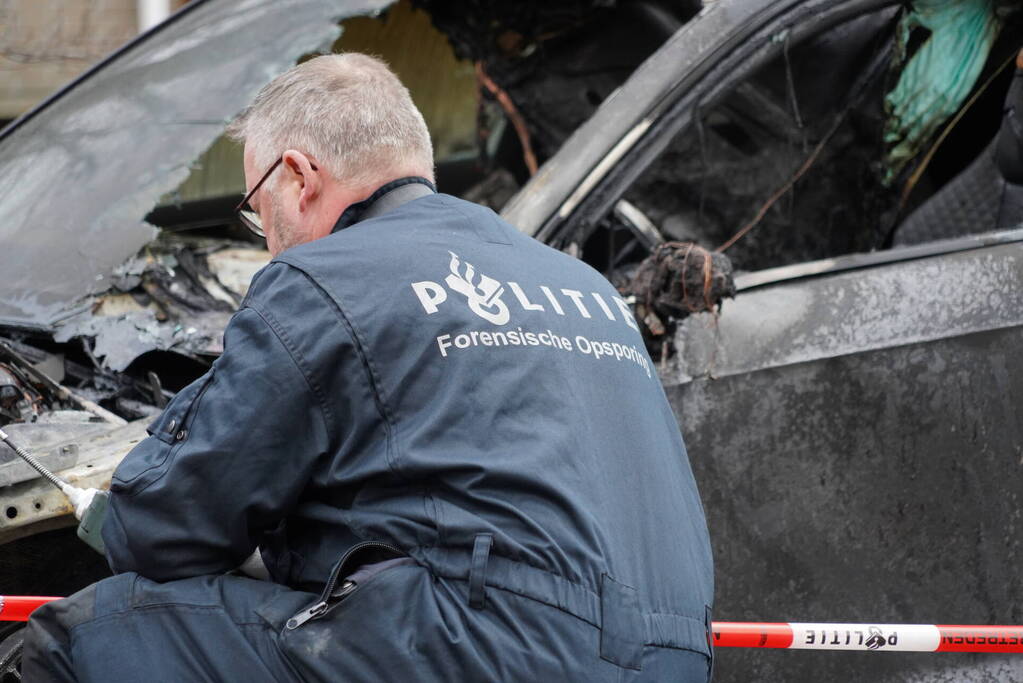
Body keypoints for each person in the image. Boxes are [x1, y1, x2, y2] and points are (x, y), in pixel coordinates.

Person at [23, 53, 714, 682]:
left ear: (297, 176)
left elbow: (166, 530)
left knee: (83, 636)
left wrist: (126, 498)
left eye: (257, 212)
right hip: (672, 656)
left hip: (490, 648)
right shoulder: (580, 284)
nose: (267, 241)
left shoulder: (323, 277)